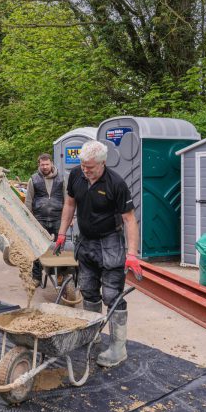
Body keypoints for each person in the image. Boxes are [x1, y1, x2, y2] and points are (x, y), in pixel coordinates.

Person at [54, 140, 142, 368]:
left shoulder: (116, 184)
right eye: (83, 165)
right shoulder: (75, 176)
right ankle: (91, 337)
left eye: (90, 167)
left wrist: (132, 254)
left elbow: (130, 219)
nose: (85, 170)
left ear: (102, 163)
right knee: (89, 292)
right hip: (86, 243)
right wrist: (61, 234)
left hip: (110, 243)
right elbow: (70, 204)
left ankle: (117, 347)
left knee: (112, 295)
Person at [25, 153, 66, 282]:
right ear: (39, 165)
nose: (45, 167)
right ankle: (36, 277)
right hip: (39, 219)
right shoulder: (33, 179)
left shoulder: (61, 179)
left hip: (57, 218)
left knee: (59, 248)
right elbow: (28, 200)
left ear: (51, 164)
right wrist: (29, 219)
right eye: (42, 164)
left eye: (47, 164)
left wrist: (70, 219)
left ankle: (60, 275)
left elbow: (67, 200)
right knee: (38, 248)